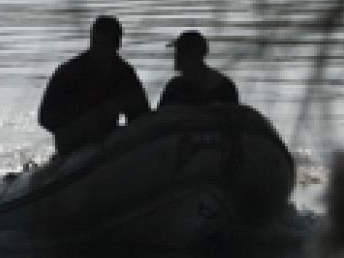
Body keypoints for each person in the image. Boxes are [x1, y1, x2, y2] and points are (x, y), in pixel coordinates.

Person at [38, 15, 151, 155]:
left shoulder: (125, 73)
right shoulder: (69, 72)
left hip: (109, 141)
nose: (96, 51)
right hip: (73, 146)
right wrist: (84, 123)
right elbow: (45, 117)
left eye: (103, 45)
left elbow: (141, 116)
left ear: (116, 45)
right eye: (94, 43)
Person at [157, 30, 240, 109]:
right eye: (178, 51)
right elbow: (161, 116)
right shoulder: (174, 86)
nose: (177, 56)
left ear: (197, 54)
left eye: (183, 51)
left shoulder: (222, 86)